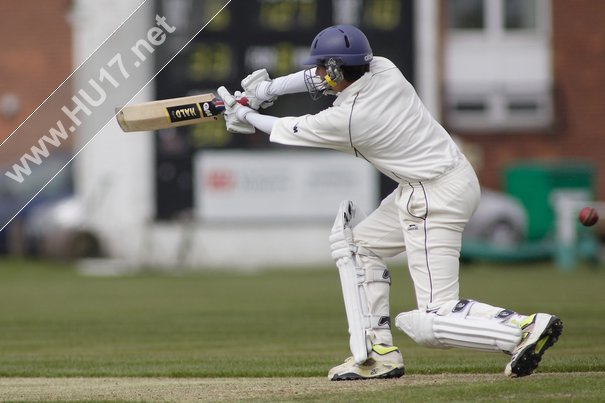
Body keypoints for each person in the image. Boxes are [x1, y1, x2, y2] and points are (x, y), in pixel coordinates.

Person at [216, 24, 562, 381]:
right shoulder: (383, 67)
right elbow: (314, 80)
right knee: (360, 246)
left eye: (324, 67)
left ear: (336, 68)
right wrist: (264, 90)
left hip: (431, 196)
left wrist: (243, 114)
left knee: (433, 318)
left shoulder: (349, 120)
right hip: (444, 178)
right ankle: (379, 353)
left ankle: (524, 327)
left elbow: (284, 129)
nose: (319, 75)